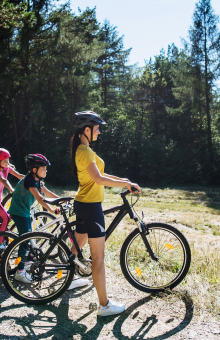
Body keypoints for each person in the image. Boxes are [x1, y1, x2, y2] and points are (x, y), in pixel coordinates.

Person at [70, 111, 140, 317]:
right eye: (97, 128)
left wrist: (124, 179)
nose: (99, 132)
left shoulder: (85, 150)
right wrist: (126, 183)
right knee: (98, 257)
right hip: (91, 207)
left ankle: (67, 278)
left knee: (75, 247)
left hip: (84, 204)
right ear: (86, 130)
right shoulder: (84, 152)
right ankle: (104, 305)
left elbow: (100, 175)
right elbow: (99, 179)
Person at [7, 154, 90, 290]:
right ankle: (20, 272)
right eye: (43, 168)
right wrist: (52, 210)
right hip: (19, 212)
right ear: (34, 170)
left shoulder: (38, 181)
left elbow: (47, 192)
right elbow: (40, 198)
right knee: (25, 240)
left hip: (25, 210)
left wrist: (63, 199)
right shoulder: (29, 181)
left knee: (29, 237)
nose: (46, 171)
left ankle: (27, 261)